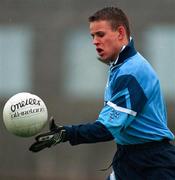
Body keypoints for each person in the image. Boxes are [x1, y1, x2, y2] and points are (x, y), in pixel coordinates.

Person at [29, 6, 175, 180]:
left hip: (152, 166)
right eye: (93, 36)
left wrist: (67, 133)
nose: (95, 41)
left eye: (101, 34)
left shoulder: (131, 72)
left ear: (120, 33)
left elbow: (106, 129)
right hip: (129, 159)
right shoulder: (121, 66)